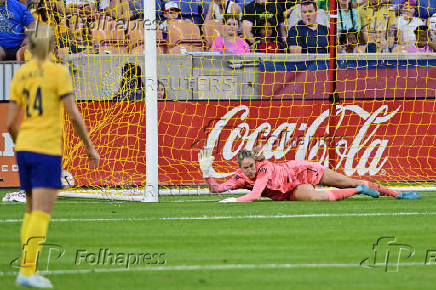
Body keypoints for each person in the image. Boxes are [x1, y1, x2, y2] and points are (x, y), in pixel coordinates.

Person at [7, 24, 99, 288]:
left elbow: (11, 123)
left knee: (29, 210)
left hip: (24, 147)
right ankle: (27, 271)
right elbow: (72, 114)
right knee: (41, 213)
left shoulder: (21, 75)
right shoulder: (58, 72)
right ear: (51, 46)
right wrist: (89, 146)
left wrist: (20, 143)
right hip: (46, 148)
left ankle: (27, 268)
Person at [197, 147, 421, 202]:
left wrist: (234, 200)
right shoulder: (239, 177)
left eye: (251, 165)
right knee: (316, 198)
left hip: (300, 171)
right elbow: (216, 188)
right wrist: (207, 173)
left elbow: (255, 195)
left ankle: (396, 193)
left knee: (345, 180)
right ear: (240, 167)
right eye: (246, 168)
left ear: (256, 162)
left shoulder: (263, 168)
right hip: (288, 191)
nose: (250, 170)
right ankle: (360, 191)